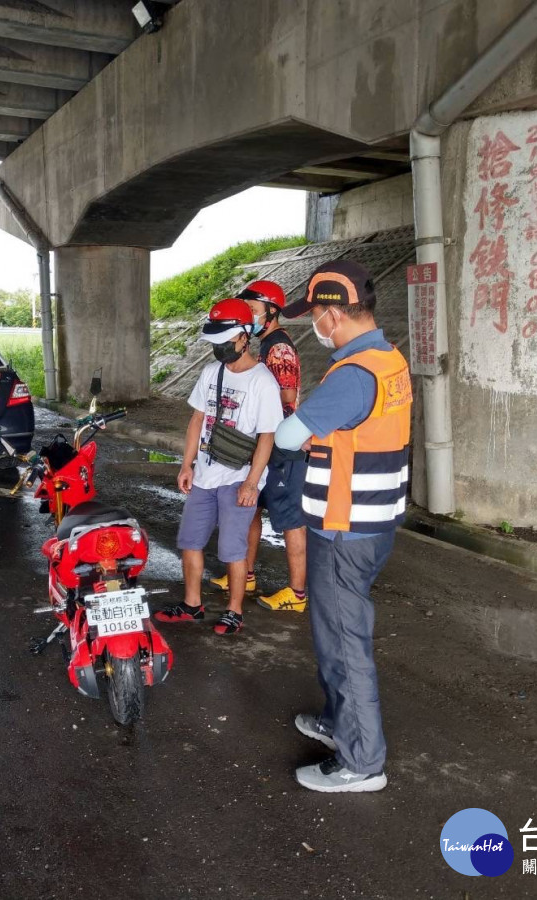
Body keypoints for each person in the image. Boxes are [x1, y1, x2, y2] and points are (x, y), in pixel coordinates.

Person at [275, 259, 411, 793]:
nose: (315, 323)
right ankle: (340, 723)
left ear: (333, 313)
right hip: (372, 521)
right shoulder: (386, 357)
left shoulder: (353, 374)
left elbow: (289, 436)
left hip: (344, 528)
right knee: (334, 636)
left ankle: (362, 763)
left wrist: (302, 430)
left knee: (344, 640)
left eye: (315, 313)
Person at [154, 298, 283, 636]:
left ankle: (234, 611)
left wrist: (252, 484)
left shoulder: (263, 383)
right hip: (205, 476)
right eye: (215, 341)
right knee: (190, 542)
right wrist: (187, 464)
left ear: (244, 336)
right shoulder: (212, 372)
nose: (219, 348)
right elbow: (197, 420)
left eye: (225, 340)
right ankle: (192, 604)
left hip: (239, 477)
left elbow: (267, 438)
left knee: (232, 549)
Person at [209, 279, 309, 612]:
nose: (247, 317)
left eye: (253, 310)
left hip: (283, 445)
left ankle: (296, 594)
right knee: (251, 508)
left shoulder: (277, 346)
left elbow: (288, 396)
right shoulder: (263, 344)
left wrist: (256, 388)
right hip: (262, 442)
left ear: (271, 311)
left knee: (290, 518)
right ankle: (246, 575)